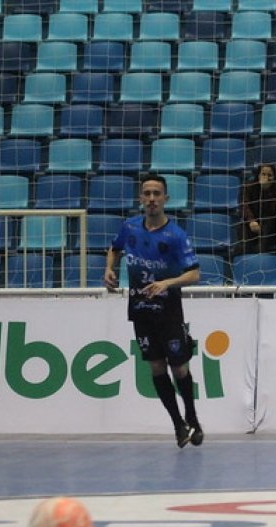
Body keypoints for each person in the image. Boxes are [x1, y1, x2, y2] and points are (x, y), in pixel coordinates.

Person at [104, 174, 204, 449]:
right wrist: (110, 268)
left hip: (169, 311)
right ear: (140, 198)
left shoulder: (176, 236)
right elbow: (114, 248)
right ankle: (178, 424)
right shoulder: (129, 227)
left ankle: (192, 416)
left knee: (179, 368)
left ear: (165, 199)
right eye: (147, 193)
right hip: (140, 310)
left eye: (156, 194)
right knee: (157, 367)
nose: (151, 199)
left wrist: (166, 283)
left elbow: (195, 274)